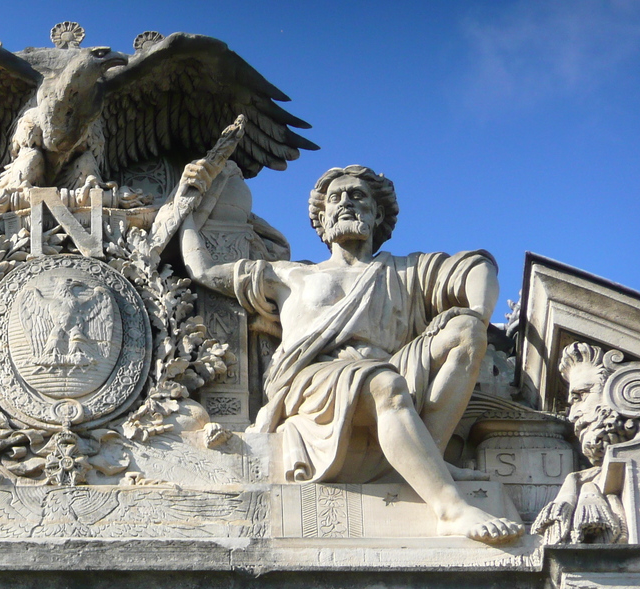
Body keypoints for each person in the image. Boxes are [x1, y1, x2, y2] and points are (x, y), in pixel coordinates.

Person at [180, 163, 522, 544]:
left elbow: (477, 268)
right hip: (314, 386)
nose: (346, 202)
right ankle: (450, 509)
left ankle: (429, 456)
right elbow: (204, 269)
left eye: (358, 196)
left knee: (465, 330)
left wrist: (477, 313)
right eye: (335, 198)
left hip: (395, 372)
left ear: (377, 214)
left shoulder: (407, 270)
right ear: (322, 219)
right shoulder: (288, 275)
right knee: (382, 383)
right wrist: (187, 207)